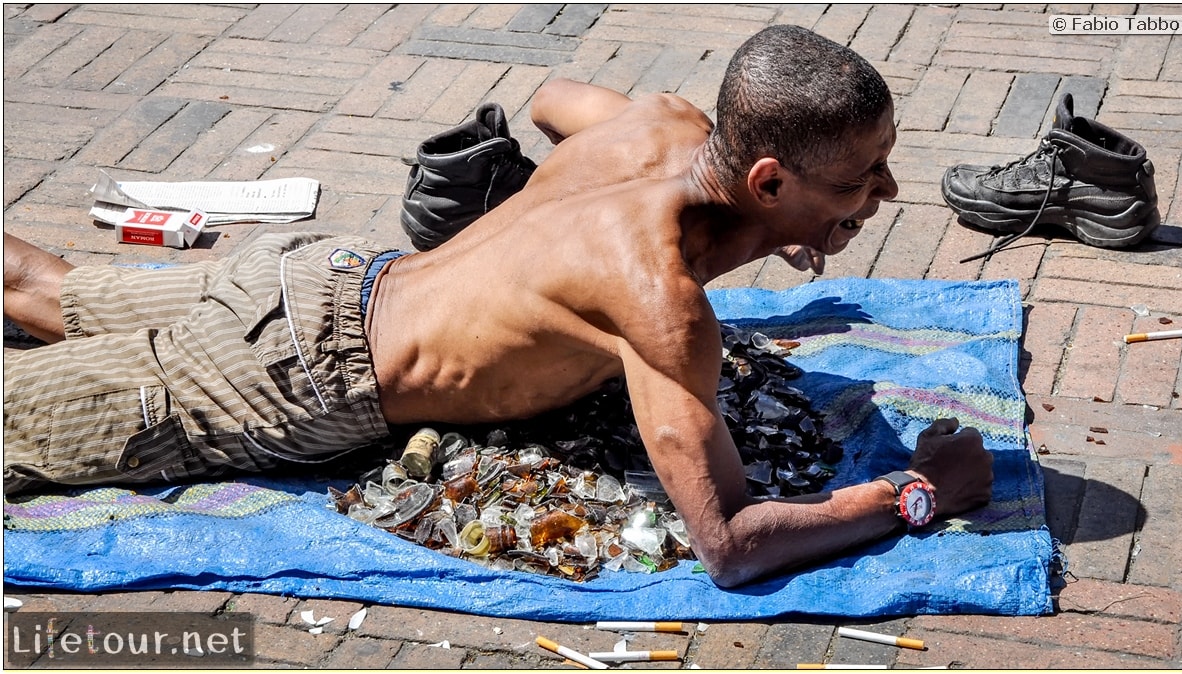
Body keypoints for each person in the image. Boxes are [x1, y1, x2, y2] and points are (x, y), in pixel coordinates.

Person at [3, 25, 992, 588]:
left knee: (36, 288)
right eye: (863, 177)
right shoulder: (660, 302)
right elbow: (730, 542)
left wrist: (536, 222)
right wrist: (918, 492)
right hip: (293, 373)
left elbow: (558, 96)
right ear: (769, 180)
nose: (886, 194)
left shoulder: (665, 125)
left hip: (315, 275)